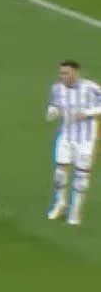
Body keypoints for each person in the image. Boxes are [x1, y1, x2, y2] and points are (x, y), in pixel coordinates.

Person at [46, 60, 101, 223]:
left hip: (86, 139)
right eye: (61, 73)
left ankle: (75, 211)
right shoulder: (57, 88)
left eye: (66, 73)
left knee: (81, 177)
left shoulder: (91, 88)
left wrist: (88, 112)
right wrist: (52, 112)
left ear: (76, 73)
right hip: (66, 136)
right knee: (59, 173)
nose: (62, 76)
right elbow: (54, 104)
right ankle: (60, 203)